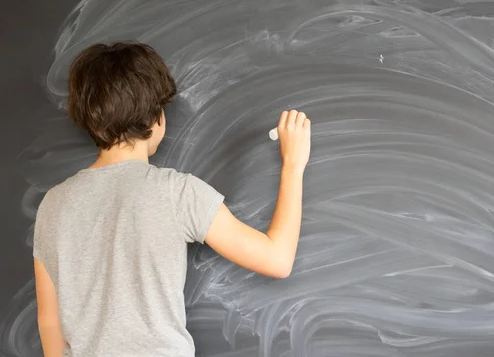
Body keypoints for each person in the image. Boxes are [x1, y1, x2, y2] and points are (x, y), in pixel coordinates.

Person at [33, 42, 311, 357]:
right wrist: (293, 164)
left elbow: (49, 321)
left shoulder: (52, 206)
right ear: (157, 118)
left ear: (91, 119)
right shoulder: (177, 193)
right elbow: (277, 259)